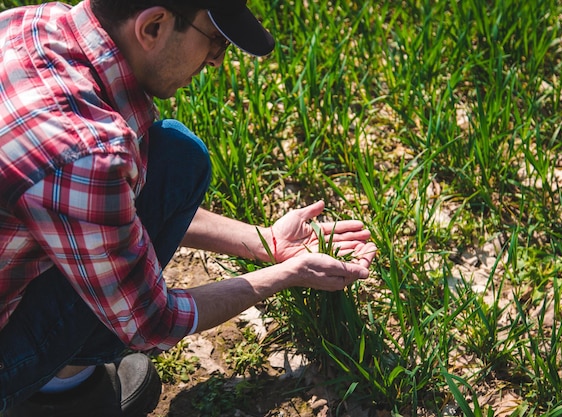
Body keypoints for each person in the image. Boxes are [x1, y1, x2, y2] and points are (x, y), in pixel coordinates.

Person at [0, 0, 377, 416]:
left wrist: (265, 241)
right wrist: (288, 273)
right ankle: (52, 393)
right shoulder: (88, 152)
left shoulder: (31, 23)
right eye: (214, 39)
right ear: (153, 27)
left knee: (176, 156)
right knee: (120, 298)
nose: (216, 60)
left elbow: (106, 207)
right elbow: (153, 324)